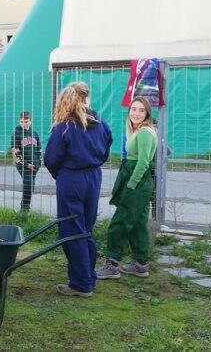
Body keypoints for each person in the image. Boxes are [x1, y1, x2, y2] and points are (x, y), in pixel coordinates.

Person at [44, 82, 112, 297]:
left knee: (72, 230)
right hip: (93, 176)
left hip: (72, 178)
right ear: (86, 99)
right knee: (85, 227)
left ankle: (81, 283)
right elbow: (106, 147)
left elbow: (51, 158)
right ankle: (88, 274)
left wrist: (62, 175)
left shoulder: (64, 126)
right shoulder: (100, 124)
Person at [98, 97, 157, 279]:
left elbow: (143, 162)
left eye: (141, 110)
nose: (136, 113)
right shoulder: (137, 130)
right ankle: (140, 264)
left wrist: (131, 184)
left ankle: (112, 264)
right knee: (138, 222)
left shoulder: (145, 132)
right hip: (135, 179)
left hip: (136, 181)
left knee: (120, 221)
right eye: (133, 109)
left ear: (147, 113)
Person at [11, 111, 41, 213]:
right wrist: (27, 165)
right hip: (23, 165)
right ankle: (23, 210)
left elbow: (39, 150)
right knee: (28, 184)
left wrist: (38, 163)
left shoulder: (34, 133)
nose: (23, 124)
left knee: (31, 186)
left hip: (34, 165)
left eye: (26, 121)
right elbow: (16, 153)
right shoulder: (17, 133)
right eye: (21, 121)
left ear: (30, 121)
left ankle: (26, 208)